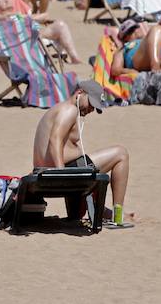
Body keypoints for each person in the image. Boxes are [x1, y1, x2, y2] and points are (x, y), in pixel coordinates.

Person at [33, 80, 132, 228]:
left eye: (95, 107)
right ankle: (118, 216)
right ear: (79, 93)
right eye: (91, 103)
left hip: (46, 171)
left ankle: (106, 212)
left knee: (79, 209)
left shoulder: (59, 109)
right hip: (63, 170)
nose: (91, 109)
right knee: (121, 154)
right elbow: (55, 139)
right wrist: (61, 174)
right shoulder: (70, 110)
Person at [0, 0, 83, 64]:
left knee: (61, 25)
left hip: (34, 36)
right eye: (1, 1)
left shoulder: (19, 15)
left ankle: (74, 57)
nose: (6, 1)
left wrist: (24, 16)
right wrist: (13, 15)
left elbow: (44, 16)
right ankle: (54, 53)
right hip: (20, 43)